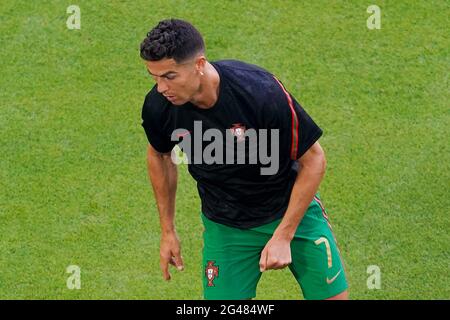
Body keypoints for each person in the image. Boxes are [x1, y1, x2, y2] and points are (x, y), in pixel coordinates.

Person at [140, 18, 349, 300]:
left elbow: (314, 160)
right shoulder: (159, 106)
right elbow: (159, 155)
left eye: (169, 76)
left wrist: (284, 235)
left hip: (290, 212)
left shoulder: (260, 92)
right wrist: (168, 231)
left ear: (199, 65)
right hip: (226, 225)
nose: (161, 87)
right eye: (154, 77)